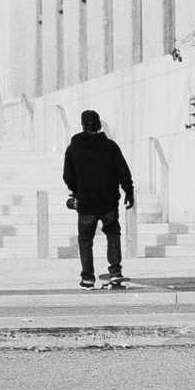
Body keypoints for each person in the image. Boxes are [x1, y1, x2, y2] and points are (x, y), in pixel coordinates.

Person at [62, 109, 134, 290]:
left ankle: (87, 278)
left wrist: (76, 190)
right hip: (108, 201)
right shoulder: (110, 146)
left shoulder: (73, 148)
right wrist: (128, 191)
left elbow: (67, 176)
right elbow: (123, 171)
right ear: (99, 126)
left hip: (86, 203)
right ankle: (115, 272)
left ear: (83, 126)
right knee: (112, 234)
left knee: (85, 240)